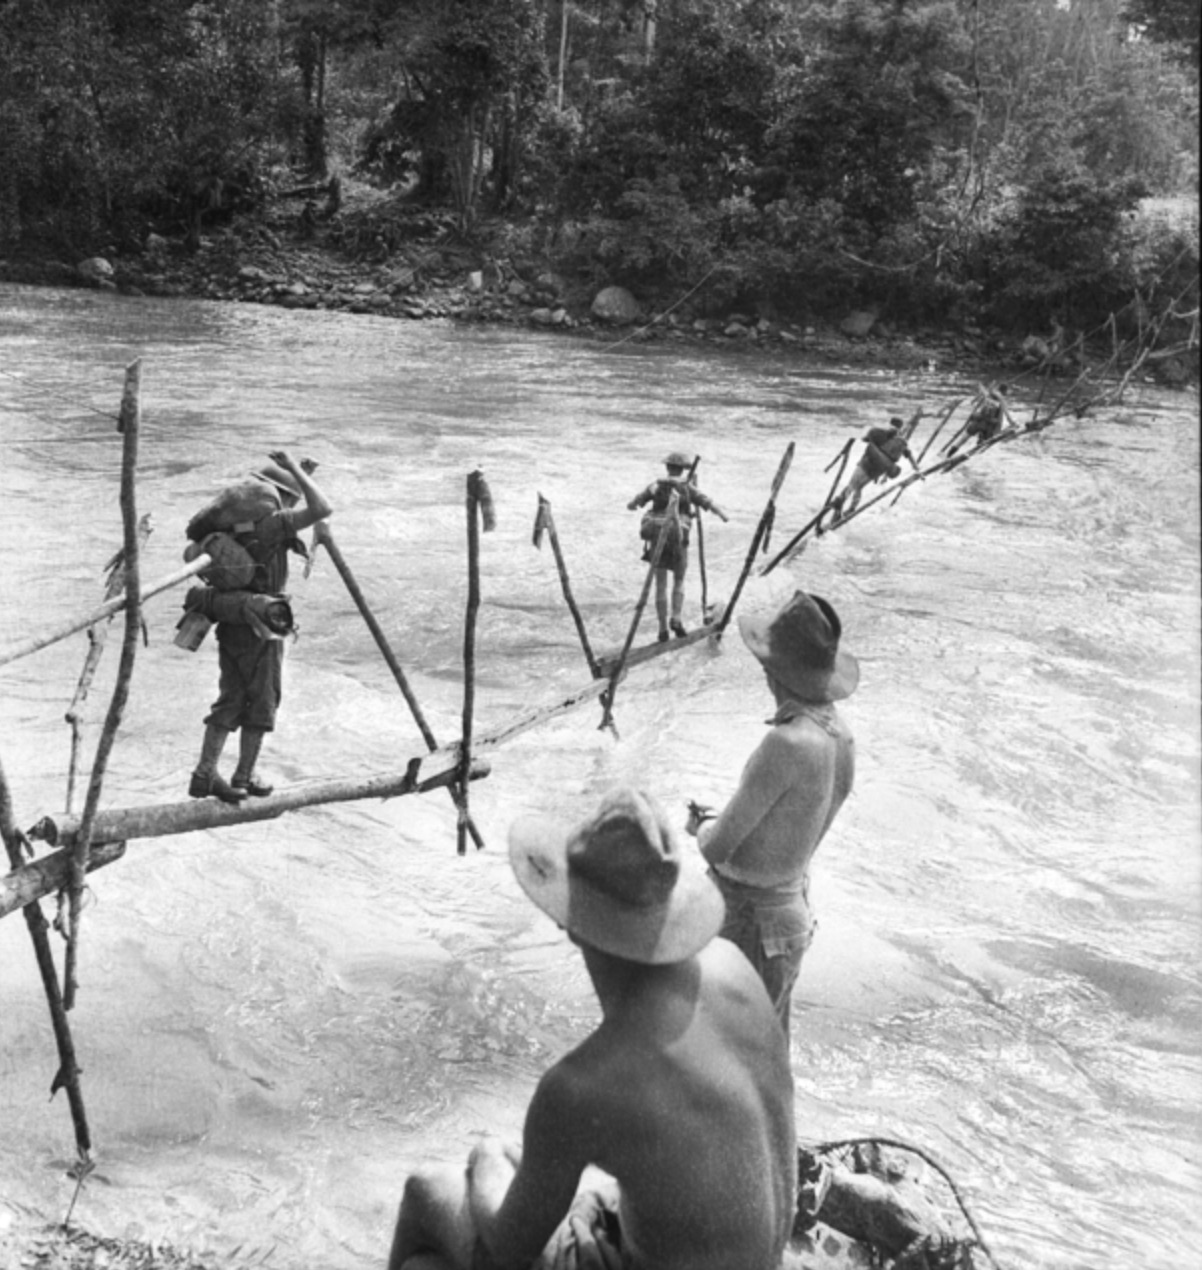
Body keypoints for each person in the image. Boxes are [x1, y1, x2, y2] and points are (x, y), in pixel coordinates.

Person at [389, 787, 798, 1270]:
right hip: (760, 1257)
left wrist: (488, 1158)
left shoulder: (582, 1086)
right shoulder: (733, 965)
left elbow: (510, 1245)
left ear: (570, 923)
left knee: (427, 1190)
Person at [687, 589, 857, 1037]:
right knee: (765, 1068)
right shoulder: (841, 736)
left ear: (773, 670)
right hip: (789, 913)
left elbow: (719, 847)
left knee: (718, 1064)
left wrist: (701, 826)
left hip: (749, 922)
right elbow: (801, 828)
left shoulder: (786, 742)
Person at [186, 450, 331, 803]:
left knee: (231, 697)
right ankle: (244, 775)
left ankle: (205, 773)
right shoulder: (273, 524)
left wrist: (297, 471)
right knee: (264, 700)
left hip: (232, 619)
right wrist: (295, 467)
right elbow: (322, 508)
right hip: (262, 625)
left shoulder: (233, 529)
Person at [627, 451, 728, 641]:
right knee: (679, 580)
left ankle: (663, 628)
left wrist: (632, 505)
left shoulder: (655, 485)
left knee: (660, 584)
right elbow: (709, 503)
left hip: (657, 537)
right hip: (678, 537)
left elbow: (634, 503)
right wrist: (723, 515)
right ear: (682, 469)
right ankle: (676, 618)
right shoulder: (687, 487)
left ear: (667, 468)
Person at [827, 411, 922, 526]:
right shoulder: (901, 442)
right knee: (859, 488)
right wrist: (917, 470)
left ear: (890, 423)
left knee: (851, 485)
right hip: (878, 469)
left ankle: (838, 508)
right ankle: (851, 509)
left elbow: (864, 439)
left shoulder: (882, 433)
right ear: (900, 427)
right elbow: (909, 456)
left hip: (867, 462)